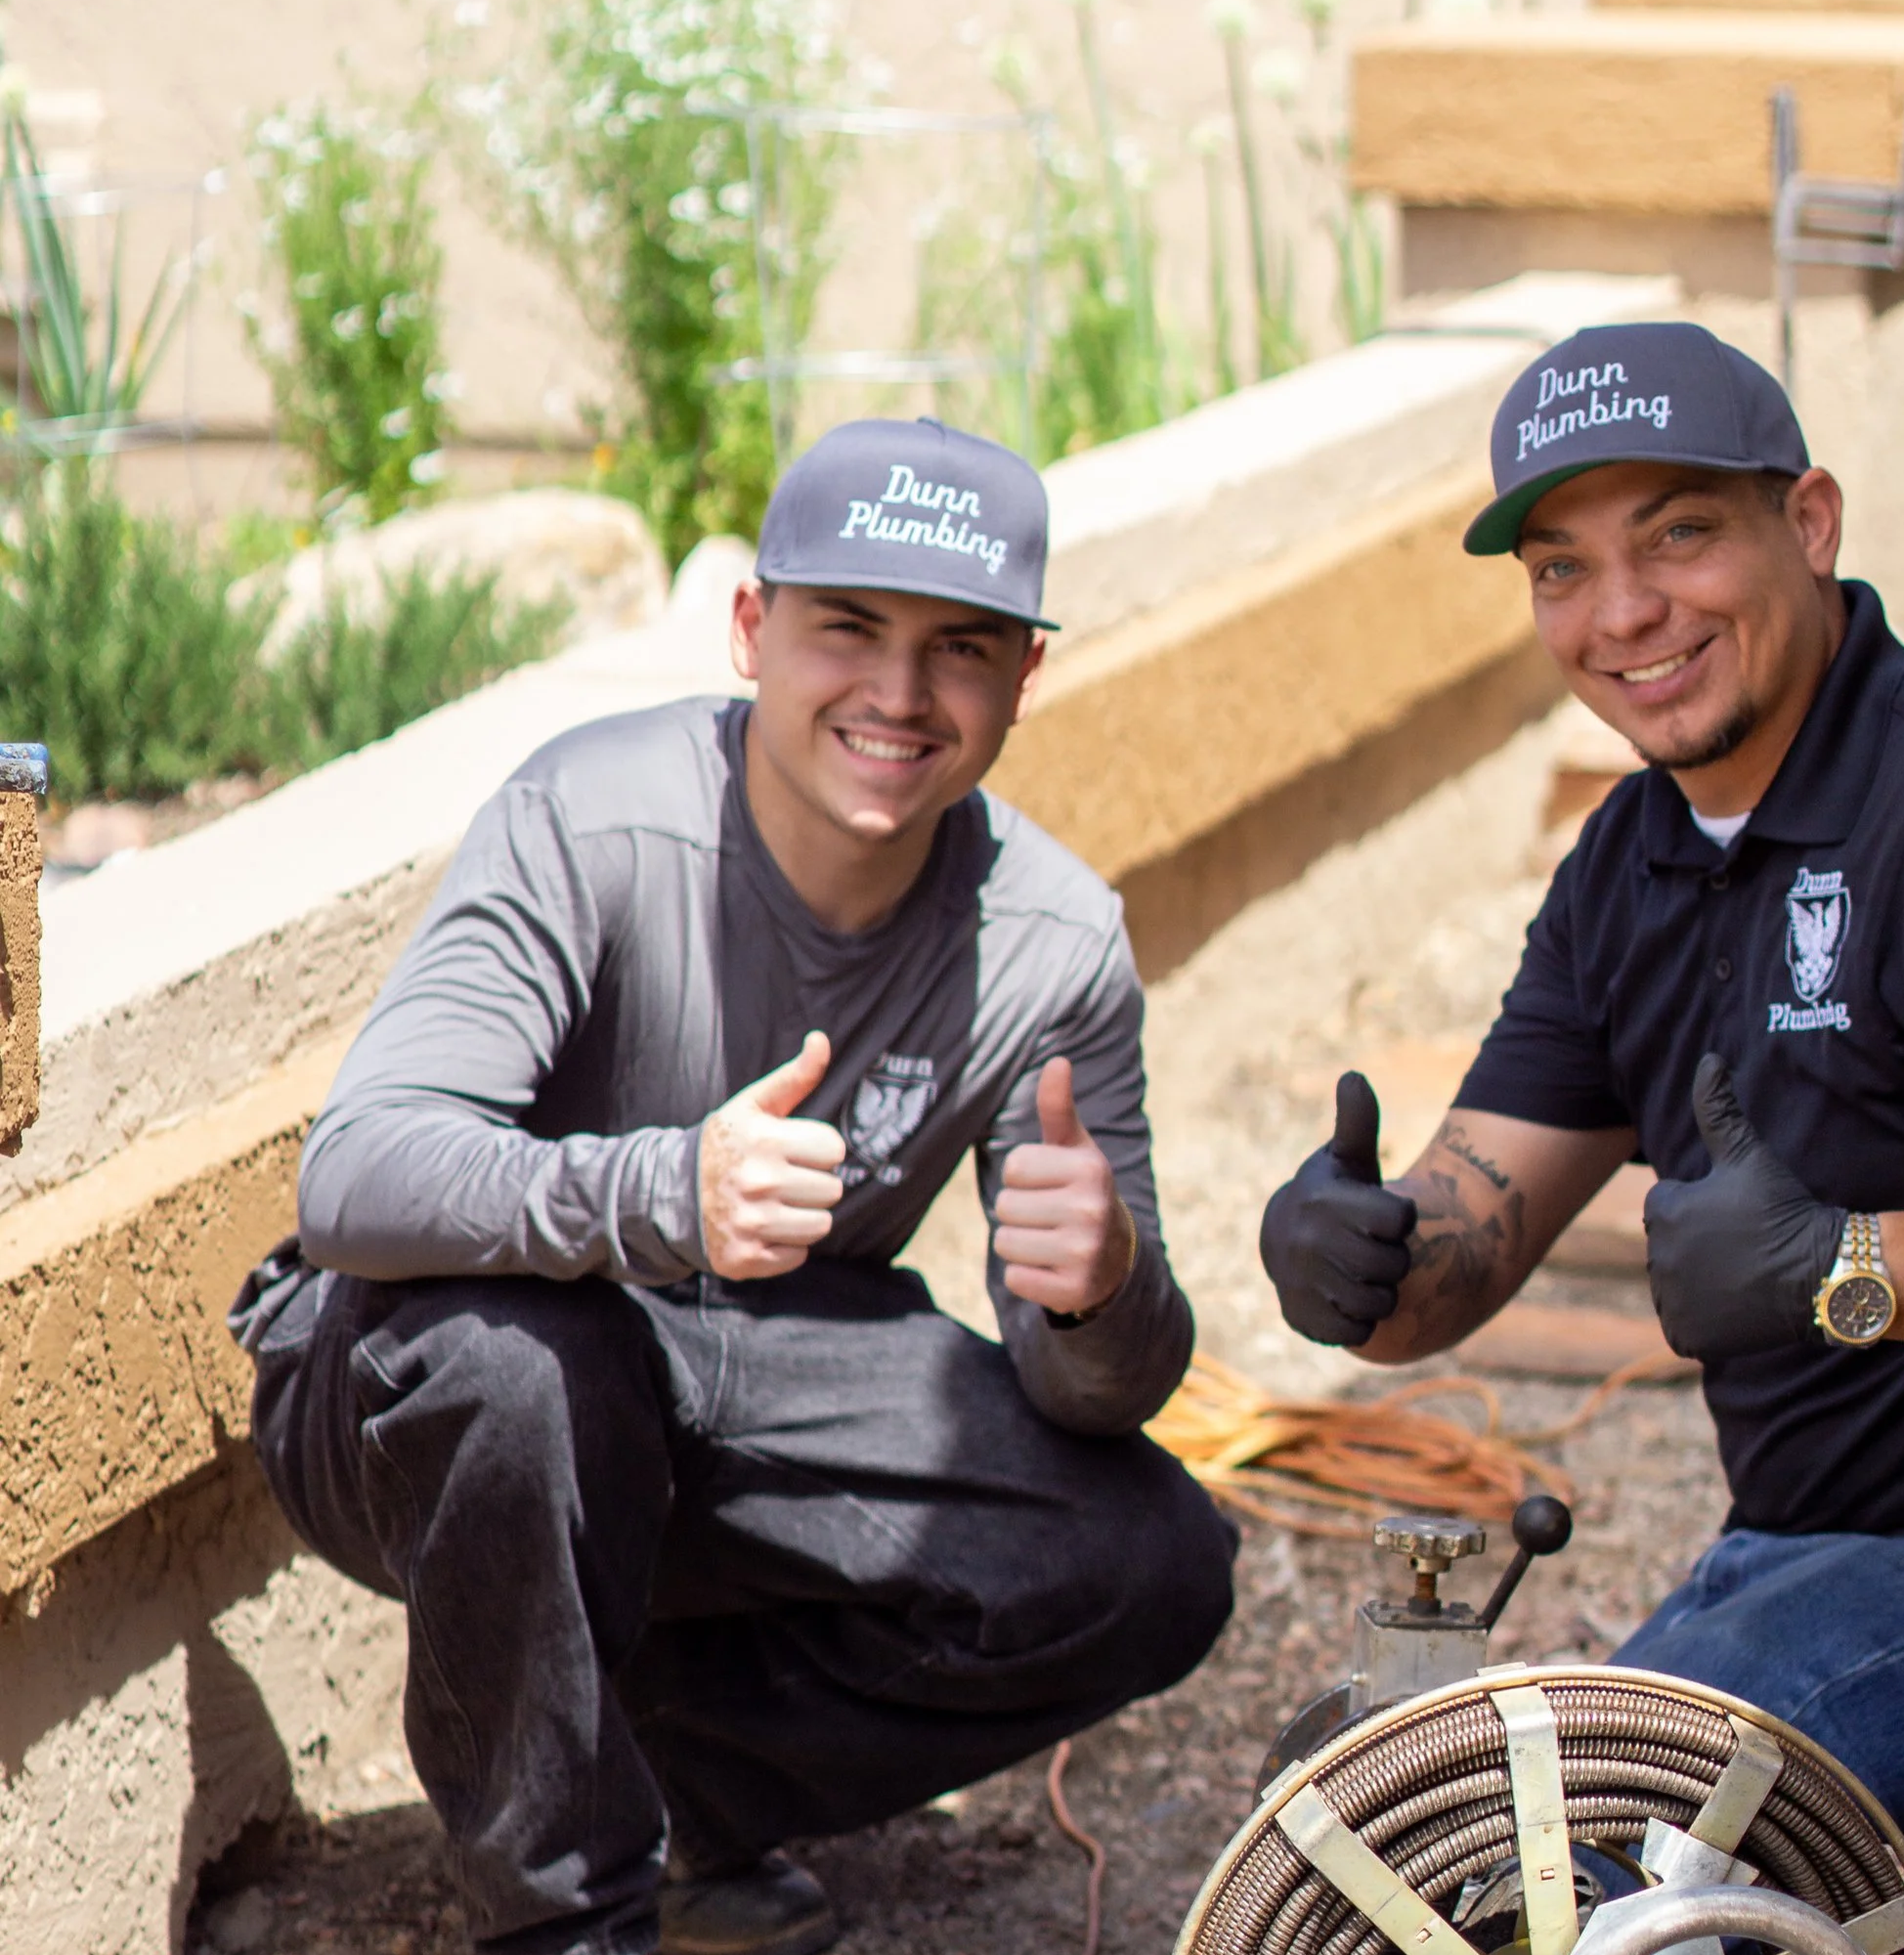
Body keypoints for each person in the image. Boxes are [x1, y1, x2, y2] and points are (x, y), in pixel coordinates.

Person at [1257, 323, 1904, 1954]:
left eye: (1680, 533)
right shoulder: (1634, 861)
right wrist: (1361, 1262)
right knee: (1423, 1850)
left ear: (1808, 524)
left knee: (1605, 1887)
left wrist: (1848, 1269)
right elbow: (1461, 1246)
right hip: (1811, 1557)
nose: (1624, 613)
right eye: (1564, 568)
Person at [230, 417, 1237, 1955]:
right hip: (417, 1380)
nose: (899, 697)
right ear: (754, 629)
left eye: (960, 649)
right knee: (523, 1371)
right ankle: (564, 1916)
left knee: (1149, 1561)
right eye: (850, 629)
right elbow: (356, 1177)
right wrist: (661, 1194)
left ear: (1026, 676)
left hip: (758, 1356)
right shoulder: (596, 817)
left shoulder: (1049, 941)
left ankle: (656, 1785)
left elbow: (1099, 1394)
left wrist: (1106, 1293)